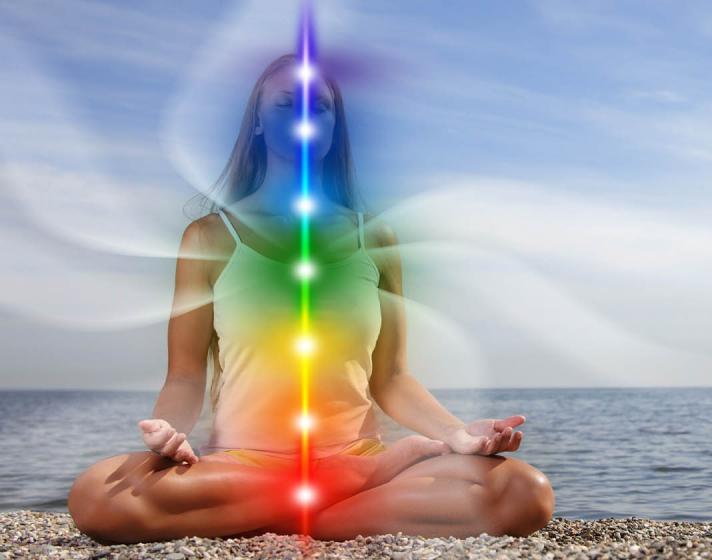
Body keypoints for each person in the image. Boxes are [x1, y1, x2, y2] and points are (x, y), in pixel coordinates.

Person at [65, 53, 554, 544]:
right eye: (286, 102)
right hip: (245, 465)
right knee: (96, 497)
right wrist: (168, 433)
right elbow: (187, 374)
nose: (303, 116)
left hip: (357, 452)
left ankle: (301, 509)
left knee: (523, 492)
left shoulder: (377, 237)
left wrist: (458, 436)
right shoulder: (209, 237)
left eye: (319, 106)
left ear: (334, 124)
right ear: (257, 119)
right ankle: (342, 499)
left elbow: (393, 378)